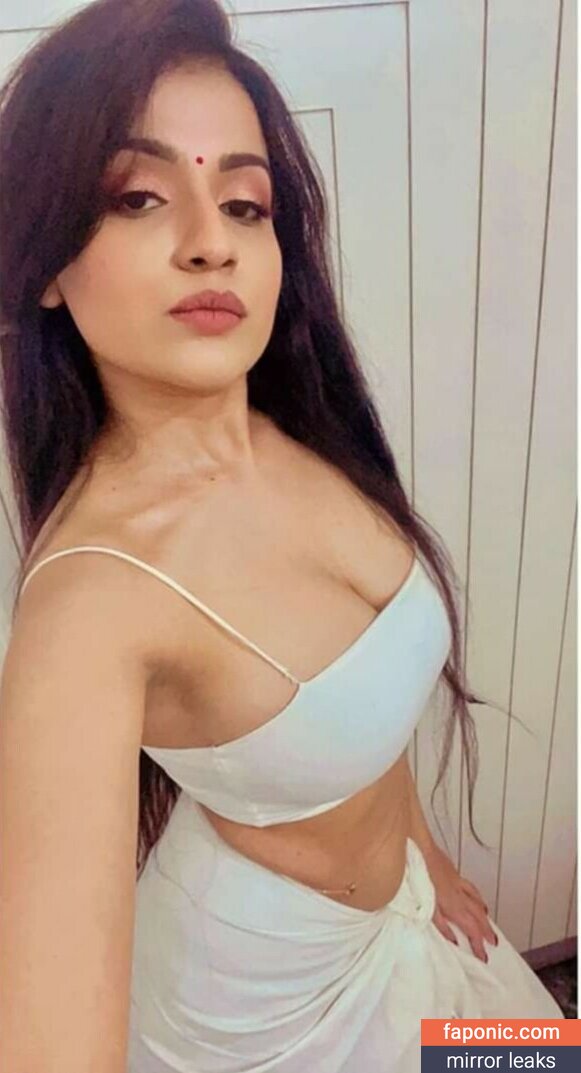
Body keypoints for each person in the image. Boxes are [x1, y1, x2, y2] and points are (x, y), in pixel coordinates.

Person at [0, 1, 563, 1071]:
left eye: (244, 203)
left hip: (409, 913)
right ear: (44, 265)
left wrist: (423, 852)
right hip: (263, 1019)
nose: (210, 241)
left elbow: (372, 701)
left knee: (535, 1052)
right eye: (138, 196)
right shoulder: (88, 610)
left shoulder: (301, 429)